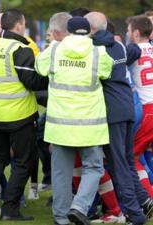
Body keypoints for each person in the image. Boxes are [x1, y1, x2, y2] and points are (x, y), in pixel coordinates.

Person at [35, 16, 113, 225]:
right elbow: (107, 72)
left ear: (68, 31)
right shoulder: (99, 52)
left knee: (61, 173)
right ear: (88, 32)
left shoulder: (53, 50)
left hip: (59, 126)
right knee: (94, 168)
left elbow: (39, 68)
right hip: (90, 126)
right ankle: (79, 206)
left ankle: (61, 218)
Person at [0, 9, 48, 221]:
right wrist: (49, 78)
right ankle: (10, 208)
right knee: (24, 162)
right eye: (23, 24)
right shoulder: (20, 48)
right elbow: (31, 81)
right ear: (18, 25)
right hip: (19, 115)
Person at [85, 12, 151, 224]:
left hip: (113, 112)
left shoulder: (95, 51)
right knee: (127, 162)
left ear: (90, 30)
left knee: (118, 164)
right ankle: (143, 200)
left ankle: (134, 213)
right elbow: (133, 50)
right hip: (129, 108)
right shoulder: (121, 46)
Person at [128, 15, 153, 217]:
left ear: (136, 33)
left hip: (147, 111)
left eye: (129, 31)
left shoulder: (133, 52)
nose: (128, 34)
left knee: (131, 157)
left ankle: (149, 197)